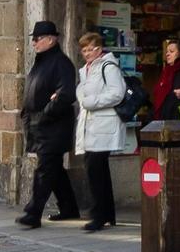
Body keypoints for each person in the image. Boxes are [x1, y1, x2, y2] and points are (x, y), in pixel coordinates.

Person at [17, 20, 79, 228]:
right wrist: (27, 114)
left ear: (51, 39)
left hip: (53, 127)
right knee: (54, 170)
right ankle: (69, 207)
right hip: (39, 125)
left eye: (37, 38)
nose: (34, 42)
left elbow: (66, 94)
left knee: (45, 169)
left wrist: (45, 114)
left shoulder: (61, 63)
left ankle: (33, 212)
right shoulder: (41, 62)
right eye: (33, 39)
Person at [74, 30, 131, 232]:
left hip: (104, 126)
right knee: (97, 171)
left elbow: (117, 93)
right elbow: (83, 92)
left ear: (99, 49)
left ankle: (98, 215)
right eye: (84, 50)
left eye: (91, 49)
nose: (87, 53)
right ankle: (107, 214)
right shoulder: (86, 69)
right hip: (91, 126)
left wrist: (91, 102)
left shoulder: (108, 66)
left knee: (95, 171)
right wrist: (84, 97)